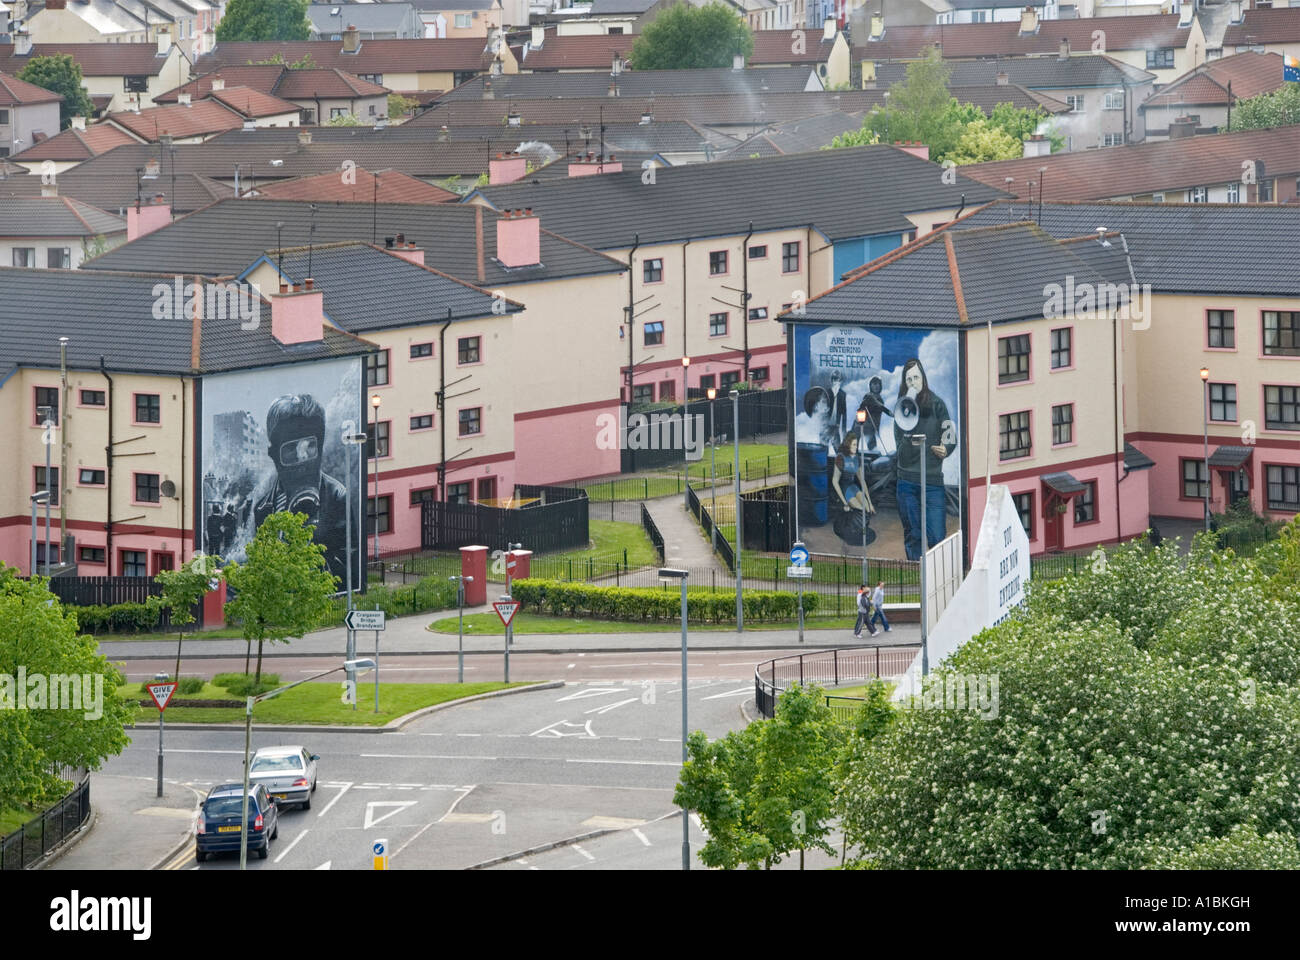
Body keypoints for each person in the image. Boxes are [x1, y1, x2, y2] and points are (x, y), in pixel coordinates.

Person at [253, 394, 349, 582]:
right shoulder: (262, 508)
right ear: (273, 454)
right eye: (290, 449)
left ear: (320, 447)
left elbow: (347, 562)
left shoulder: (336, 496)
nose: (302, 458)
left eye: (310, 446)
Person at [894, 358, 956, 561]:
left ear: (923, 378)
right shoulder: (901, 409)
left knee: (937, 535)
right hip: (907, 481)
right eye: (909, 379)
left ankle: (938, 577)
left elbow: (950, 434)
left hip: (932, 481)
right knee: (913, 533)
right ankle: (917, 575)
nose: (913, 383)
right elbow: (900, 450)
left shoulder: (937, 404)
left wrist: (946, 449)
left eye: (916, 377)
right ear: (905, 383)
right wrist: (906, 423)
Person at [832, 433, 874, 516]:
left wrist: (870, 502)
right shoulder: (840, 458)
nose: (856, 447)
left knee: (868, 509)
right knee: (860, 511)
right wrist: (845, 503)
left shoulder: (857, 458)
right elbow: (835, 481)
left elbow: (862, 480)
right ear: (848, 445)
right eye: (854, 445)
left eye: (857, 444)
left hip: (853, 487)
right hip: (844, 489)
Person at [856, 376, 889, 453]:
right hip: (861, 424)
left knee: (872, 447)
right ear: (870, 386)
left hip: (871, 427)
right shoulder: (867, 396)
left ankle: (874, 459)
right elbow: (861, 409)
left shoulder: (880, 400)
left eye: (878, 384)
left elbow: (878, 415)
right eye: (874, 384)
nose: (876, 386)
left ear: (880, 386)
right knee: (854, 441)